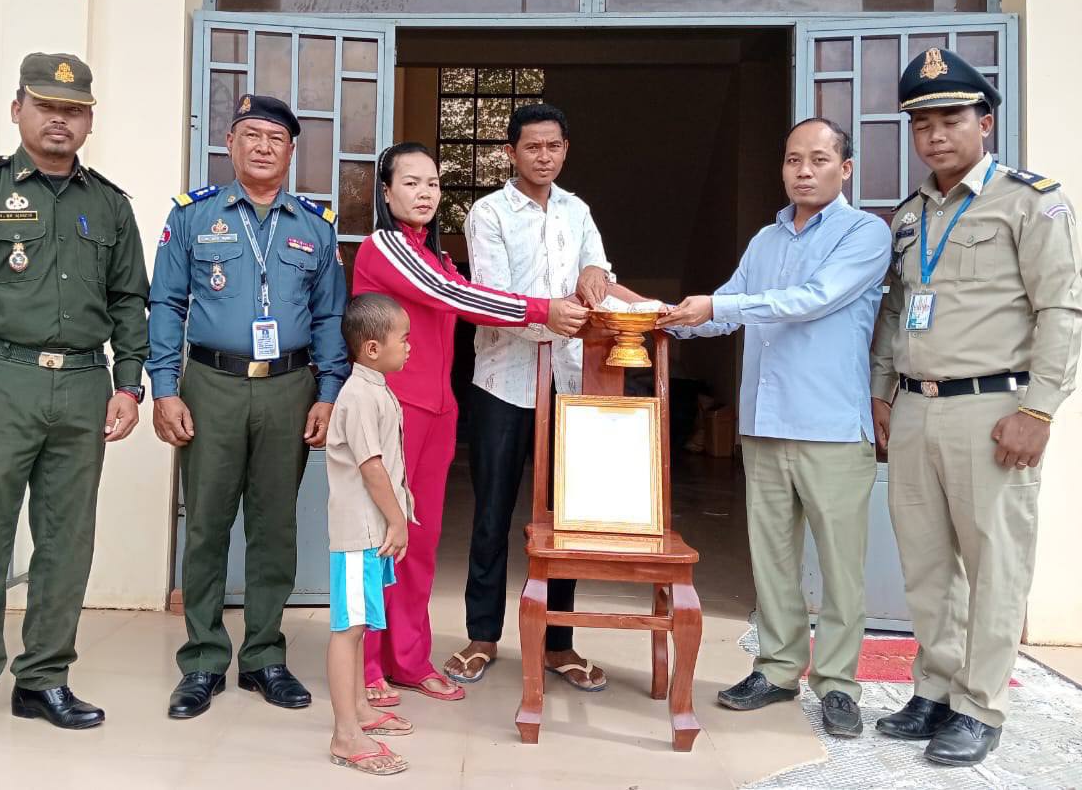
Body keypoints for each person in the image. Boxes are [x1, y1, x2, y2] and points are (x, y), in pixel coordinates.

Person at [0, 53, 150, 757]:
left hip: (83, 384)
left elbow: (129, 300)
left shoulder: (109, 205)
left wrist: (129, 382)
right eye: (47, 105)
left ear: (89, 121)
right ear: (17, 108)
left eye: (74, 110)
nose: (60, 119)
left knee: (66, 542)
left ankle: (43, 678)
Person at [869, 49, 1082, 766]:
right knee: (927, 563)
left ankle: (980, 705)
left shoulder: (1032, 202)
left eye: (951, 119)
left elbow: (1061, 309)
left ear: (984, 123)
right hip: (916, 406)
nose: (935, 135)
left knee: (995, 565)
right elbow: (895, 312)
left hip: (994, 409)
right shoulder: (909, 217)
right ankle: (934, 688)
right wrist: (881, 392)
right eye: (922, 123)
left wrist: (1040, 410)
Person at [658, 117, 891, 739]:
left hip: (831, 425)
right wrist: (662, 317)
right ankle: (778, 668)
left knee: (841, 567)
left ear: (845, 169)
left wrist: (719, 305)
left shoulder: (864, 234)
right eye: (792, 159)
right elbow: (728, 309)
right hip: (765, 422)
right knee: (773, 559)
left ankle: (837, 684)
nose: (803, 171)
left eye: (818, 159)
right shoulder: (765, 240)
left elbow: (812, 299)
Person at [352, 142, 590, 704]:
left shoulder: (434, 254)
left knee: (420, 540)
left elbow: (449, 289)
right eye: (410, 183)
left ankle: (409, 658)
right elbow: (452, 295)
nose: (425, 193)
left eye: (433, 183)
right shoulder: (384, 247)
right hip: (393, 408)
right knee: (377, 538)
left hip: (437, 410)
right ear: (386, 192)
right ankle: (366, 665)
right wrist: (542, 310)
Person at [148, 93, 349, 717]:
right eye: (251, 135)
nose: (263, 147)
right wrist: (165, 387)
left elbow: (330, 317)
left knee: (274, 526)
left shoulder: (315, 227)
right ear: (230, 144)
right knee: (206, 524)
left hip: (289, 387)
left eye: (275, 138)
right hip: (211, 384)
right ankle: (203, 660)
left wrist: (329, 392)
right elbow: (165, 305)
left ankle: (263, 656)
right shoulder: (192, 217)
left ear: (291, 151)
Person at [444, 103, 622, 692]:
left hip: (569, 382)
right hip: (503, 383)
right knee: (492, 514)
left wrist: (595, 275)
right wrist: (552, 315)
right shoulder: (489, 213)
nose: (544, 157)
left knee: (563, 521)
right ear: (511, 152)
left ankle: (557, 642)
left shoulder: (577, 209)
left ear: (566, 149)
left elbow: (596, 264)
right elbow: (493, 299)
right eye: (532, 147)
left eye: (553, 146)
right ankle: (481, 636)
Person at [325, 293, 417, 776]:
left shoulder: (376, 389)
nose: (410, 347)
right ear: (373, 348)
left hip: (371, 529)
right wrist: (397, 520)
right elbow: (372, 466)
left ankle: (361, 709)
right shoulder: (359, 395)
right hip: (359, 532)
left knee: (360, 625)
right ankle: (345, 735)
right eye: (404, 339)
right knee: (349, 628)